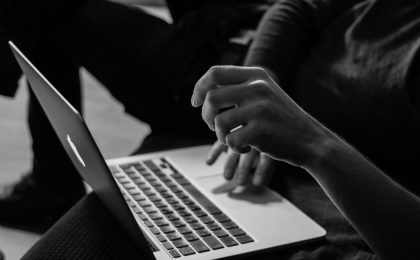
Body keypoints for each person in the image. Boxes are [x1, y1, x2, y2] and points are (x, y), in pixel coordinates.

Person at [18, 0, 420, 259]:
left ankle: (49, 187)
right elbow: (295, 8)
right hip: (227, 57)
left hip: (268, 157)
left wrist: (312, 143)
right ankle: (50, 184)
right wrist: (258, 90)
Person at [0, 0, 273, 224]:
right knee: (44, 12)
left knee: (43, 7)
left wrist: (262, 96)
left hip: (220, 61)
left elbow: (295, 9)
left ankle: (53, 186)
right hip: (220, 29)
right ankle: (53, 185)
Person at [192, 65, 420, 259]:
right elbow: (298, 12)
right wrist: (250, 97)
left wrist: (317, 145)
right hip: (264, 179)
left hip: (337, 233)